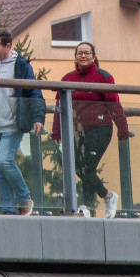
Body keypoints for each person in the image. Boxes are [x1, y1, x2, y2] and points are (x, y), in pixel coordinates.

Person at [51, 42, 128, 219]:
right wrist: (57, 132)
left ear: (94, 56)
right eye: (79, 53)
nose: (83, 56)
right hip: (76, 132)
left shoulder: (103, 77)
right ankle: (108, 196)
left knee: (87, 166)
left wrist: (122, 129)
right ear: (75, 57)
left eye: (87, 53)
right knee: (78, 167)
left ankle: (85, 206)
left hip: (99, 128)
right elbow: (59, 107)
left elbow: (114, 104)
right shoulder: (67, 79)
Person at [0, 28, 45, 216]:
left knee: (5, 161)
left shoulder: (20, 65)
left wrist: (38, 118)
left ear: (7, 45)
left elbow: (35, 92)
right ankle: (7, 208)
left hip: (12, 124)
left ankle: (24, 198)